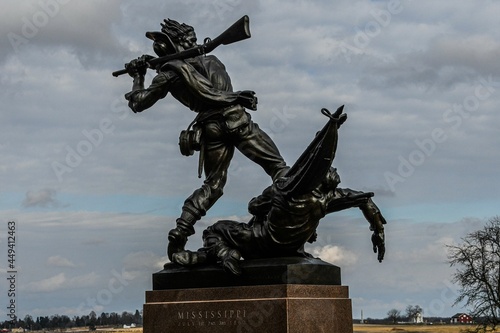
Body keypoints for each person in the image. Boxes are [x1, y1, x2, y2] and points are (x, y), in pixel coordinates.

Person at [124, 19, 288, 259]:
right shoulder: (211, 61)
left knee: (213, 185)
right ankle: (290, 218)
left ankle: (181, 230)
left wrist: (137, 77)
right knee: (279, 169)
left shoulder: (169, 73)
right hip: (236, 119)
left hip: (212, 128)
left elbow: (137, 102)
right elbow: (219, 92)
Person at [171, 109, 386, 275]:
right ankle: (216, 256)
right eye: (332, 169)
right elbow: (364, 200)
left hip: (261, 243)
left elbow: (253, 205)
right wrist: (378, 232)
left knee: (214, 231)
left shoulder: (282, 189)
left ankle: (227, 255)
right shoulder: (329, 198)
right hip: (290, 249)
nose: (336, 170)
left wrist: (269, 204)